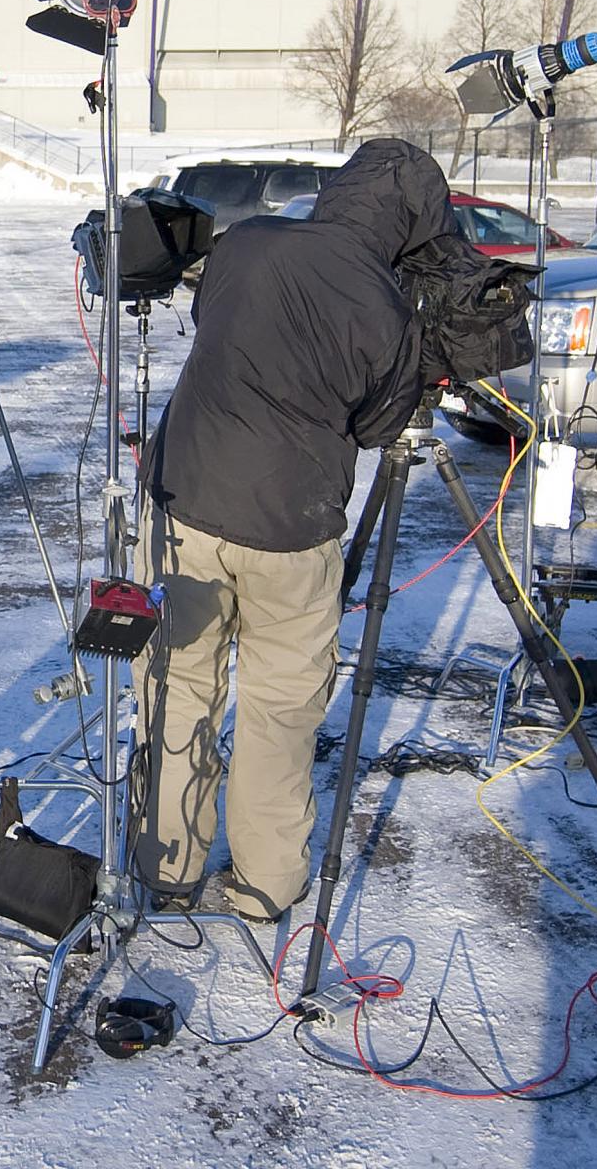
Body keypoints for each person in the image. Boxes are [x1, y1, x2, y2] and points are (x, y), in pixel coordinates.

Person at [134, 138, 440, 919]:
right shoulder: (388, 305)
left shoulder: (247, 243)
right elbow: (378, 425)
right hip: (294, 526)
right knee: (278, 710)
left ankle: (166, 866)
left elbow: (213, 322)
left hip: (187, 505)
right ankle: (266, 885)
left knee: (177, 688)